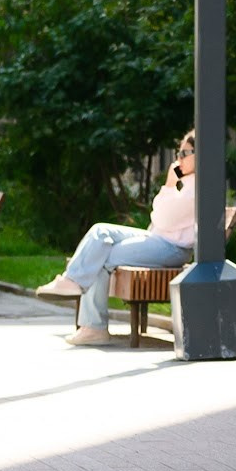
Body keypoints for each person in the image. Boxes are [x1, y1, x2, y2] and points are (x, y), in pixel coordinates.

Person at [37, 132, 201, 345]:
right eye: (178, 153)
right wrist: (171, 186)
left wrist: (170, 185)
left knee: (102, 254)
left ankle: (94, 327)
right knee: (100, 232)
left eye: (184, 153)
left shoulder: (198, 187)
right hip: (159, 239)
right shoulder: (188, 182)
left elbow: (161, 216)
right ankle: (72, 281)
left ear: (200, 154)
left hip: (172, 248)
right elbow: (160, 218)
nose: (178, 158)